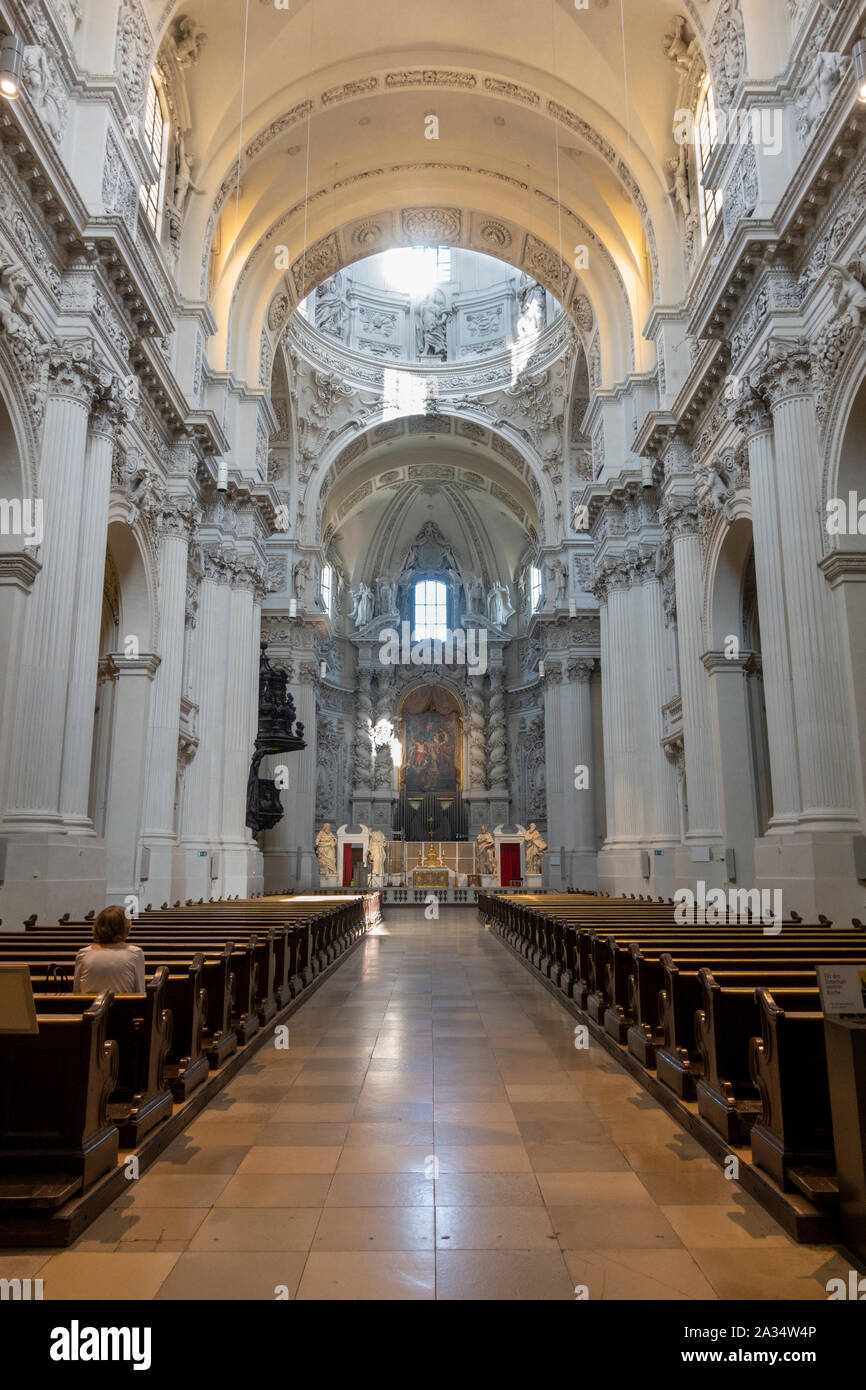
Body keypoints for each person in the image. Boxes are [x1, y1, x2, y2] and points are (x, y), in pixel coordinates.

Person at [73, 905, 145, 994]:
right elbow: (140, 992)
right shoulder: (135, 953)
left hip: (88, 1007)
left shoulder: (83, 953)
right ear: (125, 928)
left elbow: (76, 992)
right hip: (125, 1007)